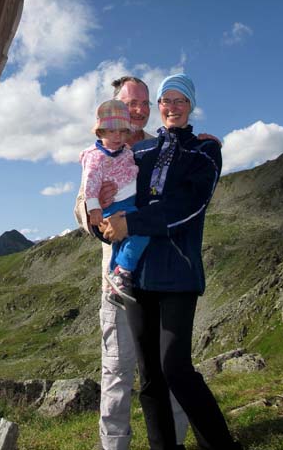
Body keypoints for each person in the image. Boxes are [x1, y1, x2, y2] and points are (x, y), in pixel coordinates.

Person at [101, 74, 243, 450]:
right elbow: (115, 194)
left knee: (175, 368)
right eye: (166, 100)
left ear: (191, 105)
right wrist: (104, 222)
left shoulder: (204, 152)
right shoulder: (140, 153)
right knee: (149, 376)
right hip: (138, 279)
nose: (172, 107)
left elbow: (188, 208)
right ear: (159, 107)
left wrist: (129, 223)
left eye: (181, 100)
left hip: (178, 274)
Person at [74, 77, 189, 450]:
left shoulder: (162, 146)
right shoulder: (101, 151)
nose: (138, 109)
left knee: (169, 366)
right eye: (130, 103)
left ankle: (176, 441)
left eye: (143, 102)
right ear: (116, 108)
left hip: (160, 274)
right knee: (117, 370)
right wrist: (96, 217)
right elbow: (80, 204)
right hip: (117, 277)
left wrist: (205, 140)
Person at [79, 99, 148, 302]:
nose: (117, 136)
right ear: (100, 133)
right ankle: (123, 270)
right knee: (141, 231)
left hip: (130, 201)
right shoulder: (96, 157)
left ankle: (114, 283)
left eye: (122, 131)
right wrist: (94, 208)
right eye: (111, 131)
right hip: (117, 206)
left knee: (120, 243)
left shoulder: (127, 151)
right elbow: (89, 184)